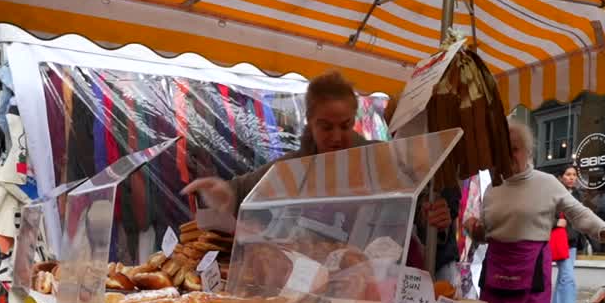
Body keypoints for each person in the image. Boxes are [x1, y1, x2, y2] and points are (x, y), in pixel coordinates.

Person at [181, 71, 450, 243]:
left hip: (374, 291)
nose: (336, 136)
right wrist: (222, 193)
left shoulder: (383, 160)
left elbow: (418, 207)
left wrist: (432, 216)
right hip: (307, 292)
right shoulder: (292, 167)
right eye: (326, 126)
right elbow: (239, 191)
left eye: (345, 125)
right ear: (309, 121)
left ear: (355, 119)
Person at [467, 122, 605, 303]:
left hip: (531, 273)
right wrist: (473, 229)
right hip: (495, 274)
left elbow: (579, 213)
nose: (507, 155)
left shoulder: (546, 183)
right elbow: (486, 233)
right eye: (501, 149)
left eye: (514, 148)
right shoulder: (492, 189)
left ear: (528, 151)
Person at [548, 165, 585, 303]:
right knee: (568, 277)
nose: (571, 177)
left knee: (564, 277)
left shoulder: (577, 194)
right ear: (561, 177)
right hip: (559, 240)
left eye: (574, 175)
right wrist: (556, 222)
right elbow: (540, 215)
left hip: (572, 241)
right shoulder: (553, 194)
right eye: (568, 174)